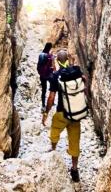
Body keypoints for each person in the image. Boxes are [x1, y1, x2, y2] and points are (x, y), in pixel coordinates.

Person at [41, 50, 85, 183]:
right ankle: (75, 168)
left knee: (54, 131)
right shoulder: (76, 72)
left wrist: (46, 112)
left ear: (57, 61)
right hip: (75, 114)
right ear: (68, 59)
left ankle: (53, 150)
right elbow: (84, 81)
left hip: (61, 113)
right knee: (74, 140)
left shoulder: (55, 76)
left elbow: (52, 97)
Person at [37, 42, 54, 112]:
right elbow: (52, 66)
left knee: (43, 90)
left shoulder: (40, 55)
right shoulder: (50, 56)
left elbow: (38, 65)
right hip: (48, 75)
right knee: (53, 87)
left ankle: (43, 105)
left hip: (42, 75)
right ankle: (51, 102)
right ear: (50, 48)